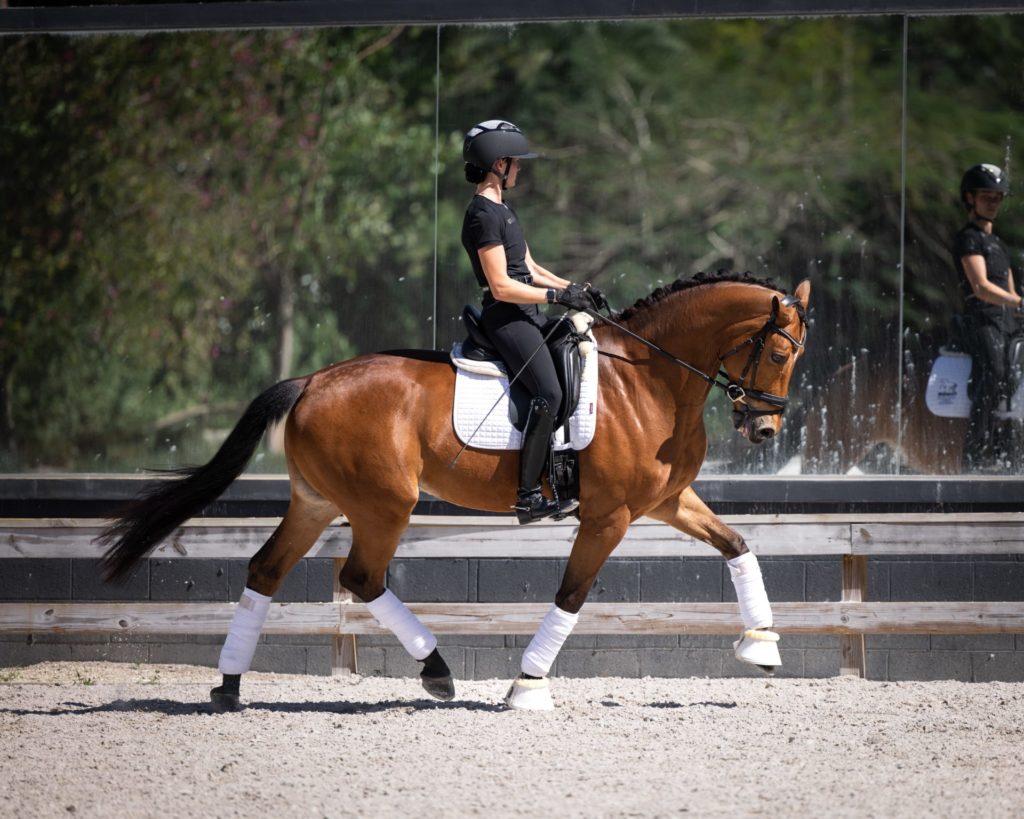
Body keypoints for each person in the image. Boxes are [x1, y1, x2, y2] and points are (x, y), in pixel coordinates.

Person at [460, 120, 602, 523]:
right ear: (498, 164)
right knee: (550, 395)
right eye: (516, 163)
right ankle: (526, 495)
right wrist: (556, 297)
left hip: (528, 312)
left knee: (571, 346)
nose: (520, 169)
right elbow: (502, 285)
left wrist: (575, 289)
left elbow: (529, 267)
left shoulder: (504, 209)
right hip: (507, 318)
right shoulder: (482, 216)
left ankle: (563, 467)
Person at [952, 163, 1024, 470]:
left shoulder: (998, 243)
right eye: (986, 196)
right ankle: (976, 450)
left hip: (1005, 322)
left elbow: (1008, 289)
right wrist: (1019, 301)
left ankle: (1006, 444)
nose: (993, 202)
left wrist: (1017, 309)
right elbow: (981, 287)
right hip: (982, 319)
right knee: (994, 371)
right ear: (970, 199)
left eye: (998, 197)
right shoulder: (969, 238)